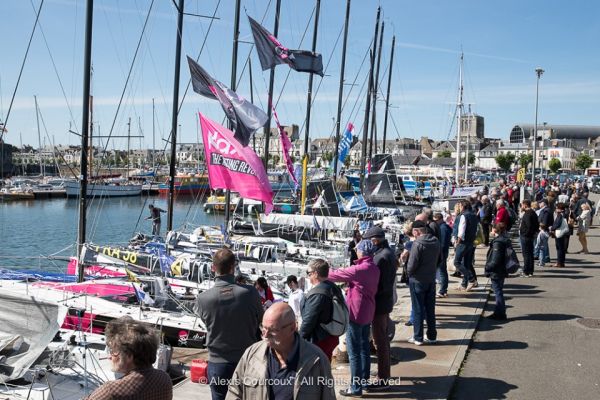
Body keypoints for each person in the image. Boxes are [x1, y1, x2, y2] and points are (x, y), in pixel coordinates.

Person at [226, 303, 336, 400]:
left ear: (292, 328)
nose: (265, 335)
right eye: (263, 328)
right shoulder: (252, 354)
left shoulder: (316, 360)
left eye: (273, 330)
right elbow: (234, 391)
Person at [194, 248, 263, 400]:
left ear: (213, 268)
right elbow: (261, 319)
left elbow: (207, 322)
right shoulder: (250, 293)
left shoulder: (202, 299)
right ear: (233, 267)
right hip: (247, 361)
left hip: (219, 363)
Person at [327, 239, 379, 397]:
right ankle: (363, 382)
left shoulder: (359, 269)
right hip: (368, 312)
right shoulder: (374, 268)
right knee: (364, 349)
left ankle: (355, 388)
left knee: (354, 352)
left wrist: (325, 269)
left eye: (357, 249)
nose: (356, 251)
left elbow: (334, 275)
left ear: (362, 251)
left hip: (355, 313)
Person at [85, 317, 173, 400]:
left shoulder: (111, 391)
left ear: (129, 356)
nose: (109, 356)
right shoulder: (164, 379)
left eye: (114, 351)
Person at [363, 225, 397, 391]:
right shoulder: (389, 253)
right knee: (382, 339)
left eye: (370, 240)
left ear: (375, 240)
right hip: (386, 301)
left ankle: (383, 378)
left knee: (380, 341)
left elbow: (375, 282)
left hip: (379, 304)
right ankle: (384, 373)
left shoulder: (380, 257)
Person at [406, 220, 440, 345]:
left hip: (417, 280)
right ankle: (432, 336)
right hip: (431, 279)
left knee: (418, 308)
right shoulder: (436, 241)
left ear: (416, 231)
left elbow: (412, 264)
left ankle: (418, 337)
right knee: (430, 309)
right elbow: (440, 260)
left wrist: (409, 274)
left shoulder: (417, 243)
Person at [300, 259, 341, 361]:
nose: (308, 276)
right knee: (325, 366)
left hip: (320, 339)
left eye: (308, 273)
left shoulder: (318, 293)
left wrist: (299, 339)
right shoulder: (333, 287)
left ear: (316, 274)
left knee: (317, 370)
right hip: (331, 335)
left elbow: (309, 320)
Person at [484, 223, 511, 320]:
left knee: (498, 292)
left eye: (492, 229)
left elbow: (496, 259)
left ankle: (500, 313)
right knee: (499, 290)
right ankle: (498, 312)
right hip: (502, 269)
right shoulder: (504, 240)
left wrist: (488, 267)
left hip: (497, 271)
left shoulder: (498, 243)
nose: (490, 231)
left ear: (495, 230)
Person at [454, 200, 479, 291]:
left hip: (463, 242)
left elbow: (461, 230)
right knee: (467, 264)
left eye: (460, 206)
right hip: (471, 242)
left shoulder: (463, 216)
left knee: (457, 262)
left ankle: (472, 279)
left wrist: (458, 241)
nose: (459, 208)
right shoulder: (473, 215)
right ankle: (464, 284)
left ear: (463, 206)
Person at [434, 212, 452, 298]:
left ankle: (442, 290)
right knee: (442, 271)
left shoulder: (443, 228)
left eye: (436, 220)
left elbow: (443, 243)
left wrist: (439, 253)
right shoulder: (443, 227)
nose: (435, 222)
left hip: (442, 252)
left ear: (440, 219)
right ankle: (443, 289)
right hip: (443, 252)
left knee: (442, 271)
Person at [519, 200, 539, 277]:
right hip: (530, 236)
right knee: (530, 254)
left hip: (526, 236)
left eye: (522, 205)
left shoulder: (528, 214)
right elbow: (536, 225)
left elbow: (529, 226)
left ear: (525, 205)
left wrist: (525, 234)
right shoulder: (533, 213)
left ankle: (526, 271)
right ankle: (530, 270)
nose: (521, 207)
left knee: (526, 254)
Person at [550, 203, 568, 268]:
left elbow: (557, 223)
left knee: (559, 248)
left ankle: (559, 263)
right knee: (561, 248)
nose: (556, 209)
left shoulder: (560, 215)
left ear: (560, 209)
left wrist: (552, 228)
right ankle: (561, 262)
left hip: (559, 233)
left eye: (557, 208)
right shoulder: (565, 213)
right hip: (563, 232)